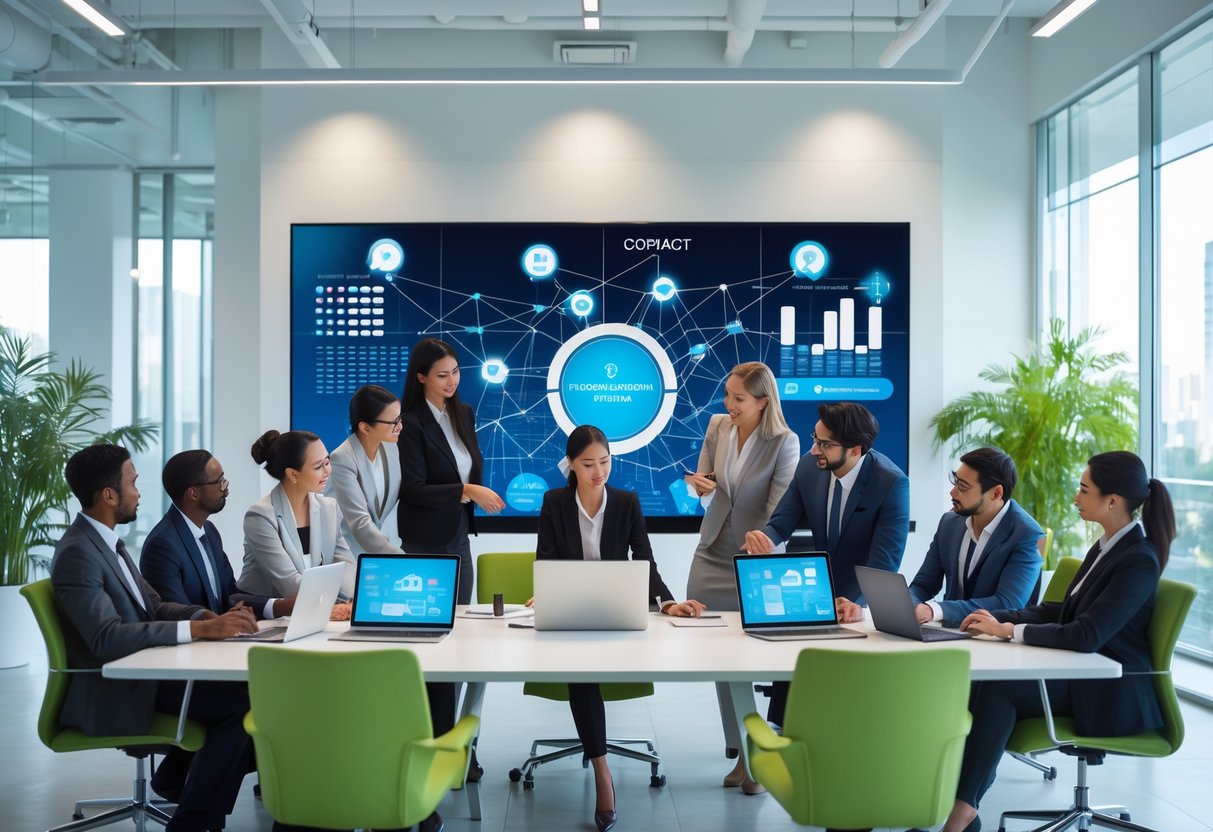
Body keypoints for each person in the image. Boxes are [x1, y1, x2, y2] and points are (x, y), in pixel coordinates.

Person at [937, 451, 1176, 832]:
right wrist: (1001, 619)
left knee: (1000, 688)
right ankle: (957, 805)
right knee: (980, 684)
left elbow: (1086, 634)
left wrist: (1010, 632)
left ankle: (962, 814)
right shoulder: (1107, 546)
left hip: (1111, 691)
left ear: (1112, 500)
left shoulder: (1137, 559)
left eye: (1084, 490)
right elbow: (1062, 611)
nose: (1076, 498)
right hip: (1082, 675)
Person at [50, 444, 258, 832]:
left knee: (253, 696)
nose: (139, 492)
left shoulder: (107, 543)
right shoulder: (79, 553)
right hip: (116, 689)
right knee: (239, 708)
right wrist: (198, 630)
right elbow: (107, 638)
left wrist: (204, 617)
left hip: (143, 676)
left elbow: (156, 605)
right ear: (109, 495)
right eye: (133, 483)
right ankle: (192, 820)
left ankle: (184, 787)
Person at [535, 425, 706, 832]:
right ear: (571, 465)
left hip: (616, 618)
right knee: (581, 672)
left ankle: (598, 764)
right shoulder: (554, 502)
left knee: (586, 671)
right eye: (588, 465)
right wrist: (544, 592)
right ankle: (602, 772)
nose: (599, 472)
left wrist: (668, 602)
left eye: (605, 462)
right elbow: (547, 560)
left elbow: (644, 560)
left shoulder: (626, 502)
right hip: (571, 618)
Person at [744, 401, 909, 727]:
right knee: (792, 678)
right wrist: (764, 537)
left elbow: (885, 559)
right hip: (815, 592)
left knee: (841, 697)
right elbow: (782, 521)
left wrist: (857, 602)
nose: (814, 449)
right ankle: (781, 737)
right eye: (814, 439)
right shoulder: (810, 467)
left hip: (857, 599)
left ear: (856, 450)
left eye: (824, 444)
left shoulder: (890, 483)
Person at [685, 362, 799, 794]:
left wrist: (761, 542)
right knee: (719, 656)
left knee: (755, 655)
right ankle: (741, 752)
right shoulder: (718, 426)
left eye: (739, 398)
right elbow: (704, 482)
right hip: (712, 548)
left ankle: (756, 756)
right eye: (727, 394)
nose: (728, 404)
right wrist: (700, 486)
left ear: (763, 401)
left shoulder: (784, 442)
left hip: (756, 558)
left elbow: (778, 508)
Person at [836, 447, 1043, 628]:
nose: (953, 492)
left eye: (963, 486)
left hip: (1000, 644)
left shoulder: (1027, 535)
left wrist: (934, 610)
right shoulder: (949, 523)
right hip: (950, 634)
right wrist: (891, 610)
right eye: (955, 481)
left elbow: (1007, 603)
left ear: (996, 493)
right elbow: (923, 585)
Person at [397, 337, 503, 606]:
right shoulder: (409, 422)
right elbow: (412, 490)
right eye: (442, 375)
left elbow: (465, 467)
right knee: (429, 614)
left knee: (462, 612)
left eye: (455, 371)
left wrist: (468, 490)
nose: (452, 381)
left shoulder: (464, 413)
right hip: (425, 538)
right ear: (421, 377)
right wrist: (467, 490)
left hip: (458, 530)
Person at [142, 449, 294, 620]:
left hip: (223, 634)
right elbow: (180, 615)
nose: (226, 489)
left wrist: (279, 606)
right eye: (219, 482)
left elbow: (230, 594)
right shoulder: (162, 545)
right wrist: (221, 623)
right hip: (200, 636)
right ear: (193, 494)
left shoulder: (209, 531)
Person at [240, 429, 355, 616]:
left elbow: (345, 568)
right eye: (318, 467)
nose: (328, 471)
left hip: (310, 613)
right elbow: (288, 582)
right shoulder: (261, 515)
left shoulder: (329, 508)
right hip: (262, 618)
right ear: (293, 474)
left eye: (327, 462)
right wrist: (327, 607)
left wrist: (354, 602)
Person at [326, 384, 404, 556]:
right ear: (365, 428)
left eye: (400, 418)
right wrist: (399, 557)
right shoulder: (342, 458)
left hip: (385, 550)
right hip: (351, 555)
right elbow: (359, 523)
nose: (400, 426)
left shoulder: (391, 447)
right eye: (393, 422)